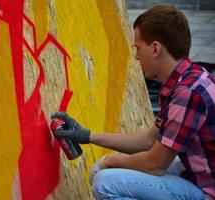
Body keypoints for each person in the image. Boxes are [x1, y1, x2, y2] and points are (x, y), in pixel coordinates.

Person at [51, 5, 215, 200]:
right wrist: (87, 136)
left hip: (208, 191)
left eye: (138, 48)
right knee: (110, 174)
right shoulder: (191, 78)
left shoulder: (186, 94)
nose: (136, 56)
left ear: (155, 48)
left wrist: (110, 161)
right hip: (201, 178)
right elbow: (147, 140)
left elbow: (155, 164)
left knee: (106, 184)